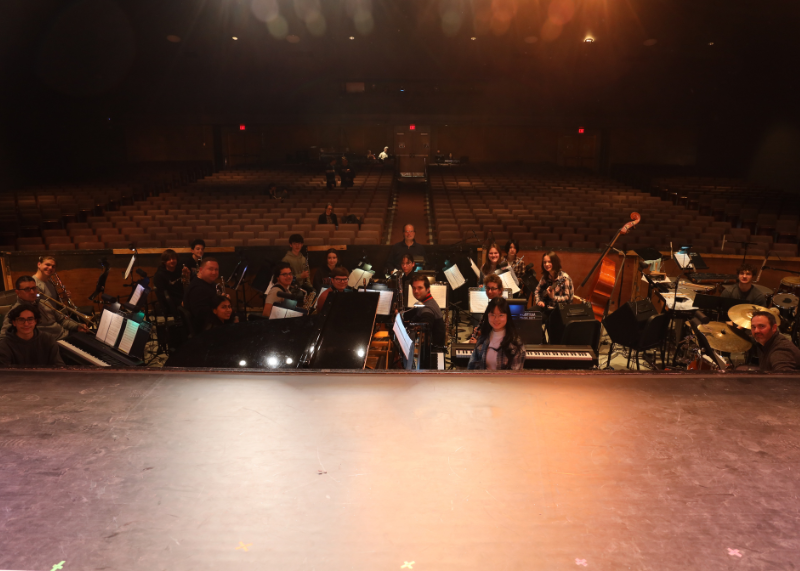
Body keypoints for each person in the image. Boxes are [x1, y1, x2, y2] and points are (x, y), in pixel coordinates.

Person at [1, 276, 87, 340]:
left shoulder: (44, 302)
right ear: (18, 292)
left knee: (91, 337)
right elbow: (3, 337)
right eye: (27, 289)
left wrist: (77, 326)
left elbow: (62, 320)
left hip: (66, 335)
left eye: (34, 288)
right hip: (52, 344)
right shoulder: (15, 312)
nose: (32, 292)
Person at [467, 298, 526, 370]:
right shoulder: (483, 338)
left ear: (507, 316)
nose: (496, 319)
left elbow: (514, 377)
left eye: (501, 315)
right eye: (492, 315)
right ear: (487, 316)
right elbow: (472, 366)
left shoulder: (516, 343)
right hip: (482, 380)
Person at [0, 305, 65, 367]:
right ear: (14, 322)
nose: (26, 324)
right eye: (21, 320)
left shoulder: (48, 339)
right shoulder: (4, 345)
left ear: (35, 321)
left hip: (46, 378)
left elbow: (58, 365)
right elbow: (5, 374)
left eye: (30, 319)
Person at [406, 274, 445, 348]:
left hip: (432, 350)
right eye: (414, 288)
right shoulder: (426, 301)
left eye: (420, 288)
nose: (416, 291)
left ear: (428, 289)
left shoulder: (427, 308)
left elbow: (424, 327)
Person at [183, 257, 221, 334]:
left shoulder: (210, 284)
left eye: (216, 269)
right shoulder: (198, 289)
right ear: (201, 270)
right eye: (210, 269)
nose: (214, 272)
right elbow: (201, 315)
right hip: (205, 329)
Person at [469, 274, 506, 343]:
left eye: (493, 289)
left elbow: (498, 338)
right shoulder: (493, 303)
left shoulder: (500, 308)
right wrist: (481, 333)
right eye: (488, 288)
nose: (489, 292)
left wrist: (478, 343)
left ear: (500, 290)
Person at [153, 249, 184, 317]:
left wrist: (189, 276)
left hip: (183, 297)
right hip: (172, 303)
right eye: (168, 259)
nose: (172, 261)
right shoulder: (159, 275)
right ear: (164, 262)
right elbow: (163, 296)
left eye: (173, 258)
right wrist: (180, 302)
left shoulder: (181, 269)